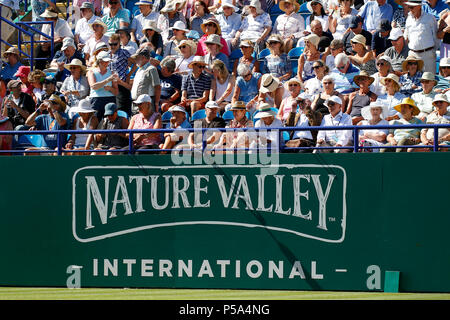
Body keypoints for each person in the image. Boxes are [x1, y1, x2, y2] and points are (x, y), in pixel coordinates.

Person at [404, 0, 438, 73]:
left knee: (429, 79)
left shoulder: (430, 18)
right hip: (413, 54)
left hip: (427, 55)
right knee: (413, 80)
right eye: (409, 7)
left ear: (419, 6)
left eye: (412, 7)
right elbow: (406, 36)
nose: (410, 9)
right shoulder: (408, 19)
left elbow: (436, 37)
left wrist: (432, 51)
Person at [87, 51, 119, 121]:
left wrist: (110, 88)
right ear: (99, 61)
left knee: (111, 122)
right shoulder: (91, 72)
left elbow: (116, 92)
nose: (107, 63)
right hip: (96, 100)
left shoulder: (112, 73)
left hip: (110, 99)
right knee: (96, 121)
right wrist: (107, 80)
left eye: (107, 61)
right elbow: (93, 86)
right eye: (105, 61)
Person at [130, 47, 162, 114]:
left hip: (146, 104)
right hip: (136, 102)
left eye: (137, 57)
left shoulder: (151, 69)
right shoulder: (139, 70)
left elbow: (157, 87)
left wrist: (156, 103)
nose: (135, 60)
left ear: (143, 57)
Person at [108, 33, 132, 115]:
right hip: (111, 84)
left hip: (121, 85)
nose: (113, 46)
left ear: (119, 43)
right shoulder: (108, 54)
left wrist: (129, 74)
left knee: (121, 109)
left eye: (115, 44)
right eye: (111, 44)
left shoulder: (123, 52)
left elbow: (134, 62)